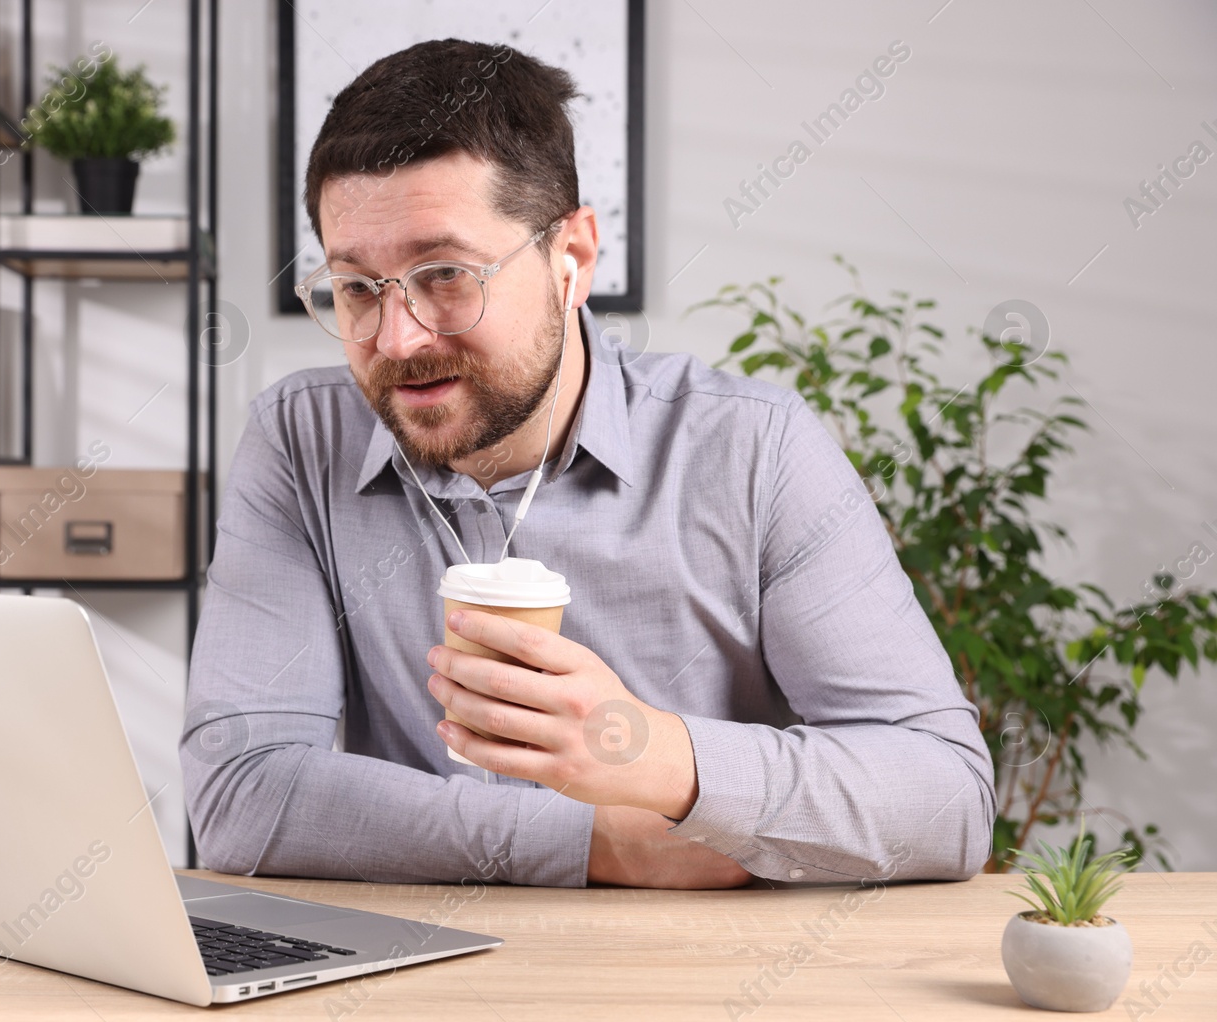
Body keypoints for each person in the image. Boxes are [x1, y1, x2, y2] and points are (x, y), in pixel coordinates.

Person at [180, 38, 993, 889]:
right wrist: (597, 841)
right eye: (356, 287)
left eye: (447, 275)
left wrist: (656, 756)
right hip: (406, 988)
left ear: (572, 260)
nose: (398, 338)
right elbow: (244, 797)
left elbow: (947, 798)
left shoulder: (754, 449)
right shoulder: (301, 439)